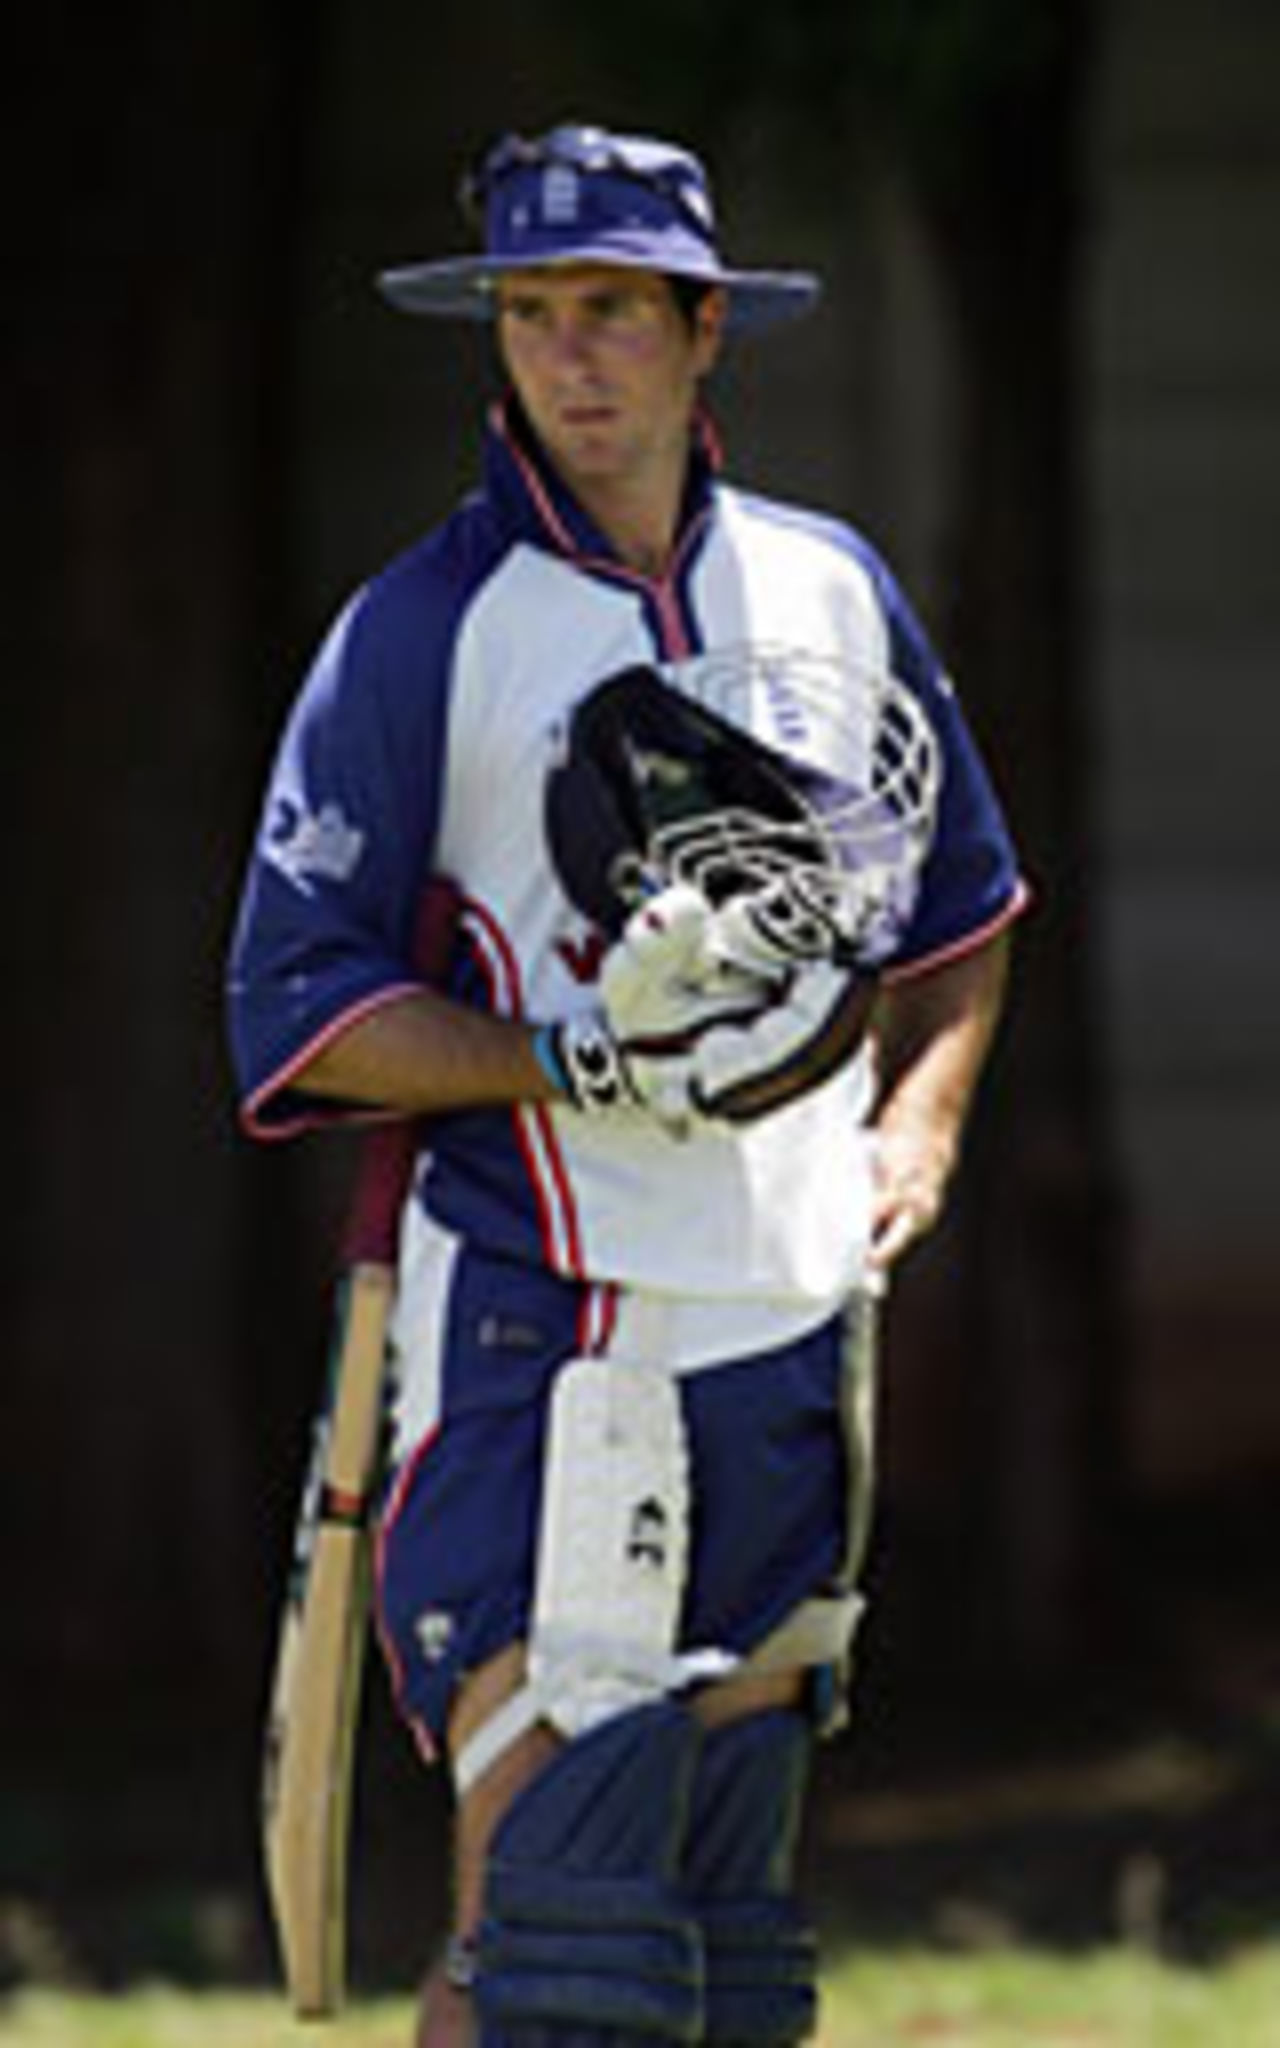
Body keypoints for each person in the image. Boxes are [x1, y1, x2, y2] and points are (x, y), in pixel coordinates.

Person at [227, 122, 1029, 2048]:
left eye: (610, 313)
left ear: (701, 333)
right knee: (564, 1962)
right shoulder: (422, 632)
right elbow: (303, 1005)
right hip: (543, 1329)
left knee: (724, 1971)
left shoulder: (830, 592)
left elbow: (962, 910)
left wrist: (918, 1127)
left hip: (786, 1322)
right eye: (530, 313)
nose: (569, 357)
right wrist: (566, 1057)